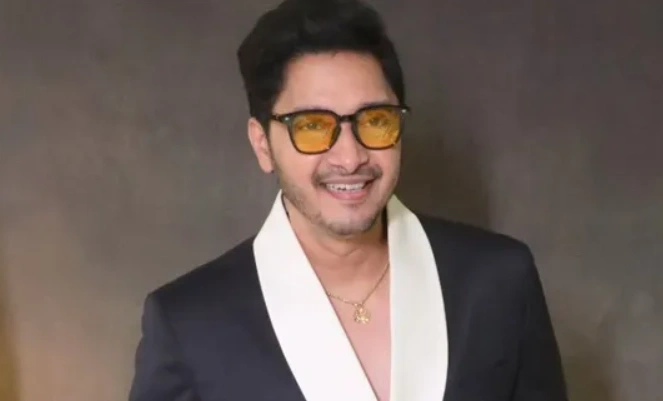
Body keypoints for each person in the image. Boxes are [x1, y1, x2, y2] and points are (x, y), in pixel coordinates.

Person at [128, 0, 568, 400]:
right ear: (262, 144)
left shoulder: (498, 281)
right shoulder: (189, 325)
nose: (350, 157)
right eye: (312, 126)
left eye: (374, 120)